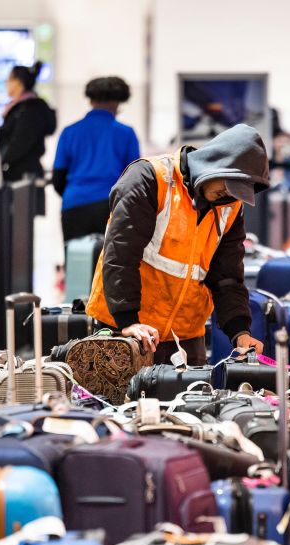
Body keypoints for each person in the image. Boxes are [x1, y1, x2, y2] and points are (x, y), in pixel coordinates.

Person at [85, 124, 269, 365]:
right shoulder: (149, 178)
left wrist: (240, 333)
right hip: (127, 330)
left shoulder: (231, 207)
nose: (228, 197)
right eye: (226, 187)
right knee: (119, 402)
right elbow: (121, 254)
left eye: (235, 193)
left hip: (185, 337)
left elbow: (228, 277)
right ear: (214, 164)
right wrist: (127, 321)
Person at [52, 76, 140, 243]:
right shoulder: (126, 133)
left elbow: (58, 178)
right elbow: (134, 177)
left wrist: (77, 193)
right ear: (117, 103)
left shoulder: (70, 132)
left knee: (76, 261)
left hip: (74, 204)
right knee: (110, 264)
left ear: (91, 102)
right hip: (112, 206)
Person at [0, 62, 56, 183]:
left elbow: (19, 143)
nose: (6, 83)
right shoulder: (18, 108)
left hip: (24, 178)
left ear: (18, 82)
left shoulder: (30, 110)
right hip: (20, 175)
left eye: (9, 79)